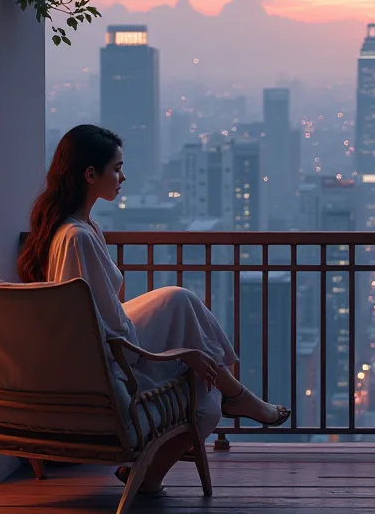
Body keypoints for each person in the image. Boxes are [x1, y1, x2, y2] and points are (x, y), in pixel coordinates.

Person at [17, 124, 289, 495]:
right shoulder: (77, 237)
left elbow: (97, 312)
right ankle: (233, 401)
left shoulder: (78, 227)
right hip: (107, 354)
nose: (122, 177)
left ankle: (237, 395)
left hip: (104, 340)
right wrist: (174, 354)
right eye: (116, 169)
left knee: (179, 299)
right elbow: (98, 327)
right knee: (203, 393)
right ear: (90, 175)